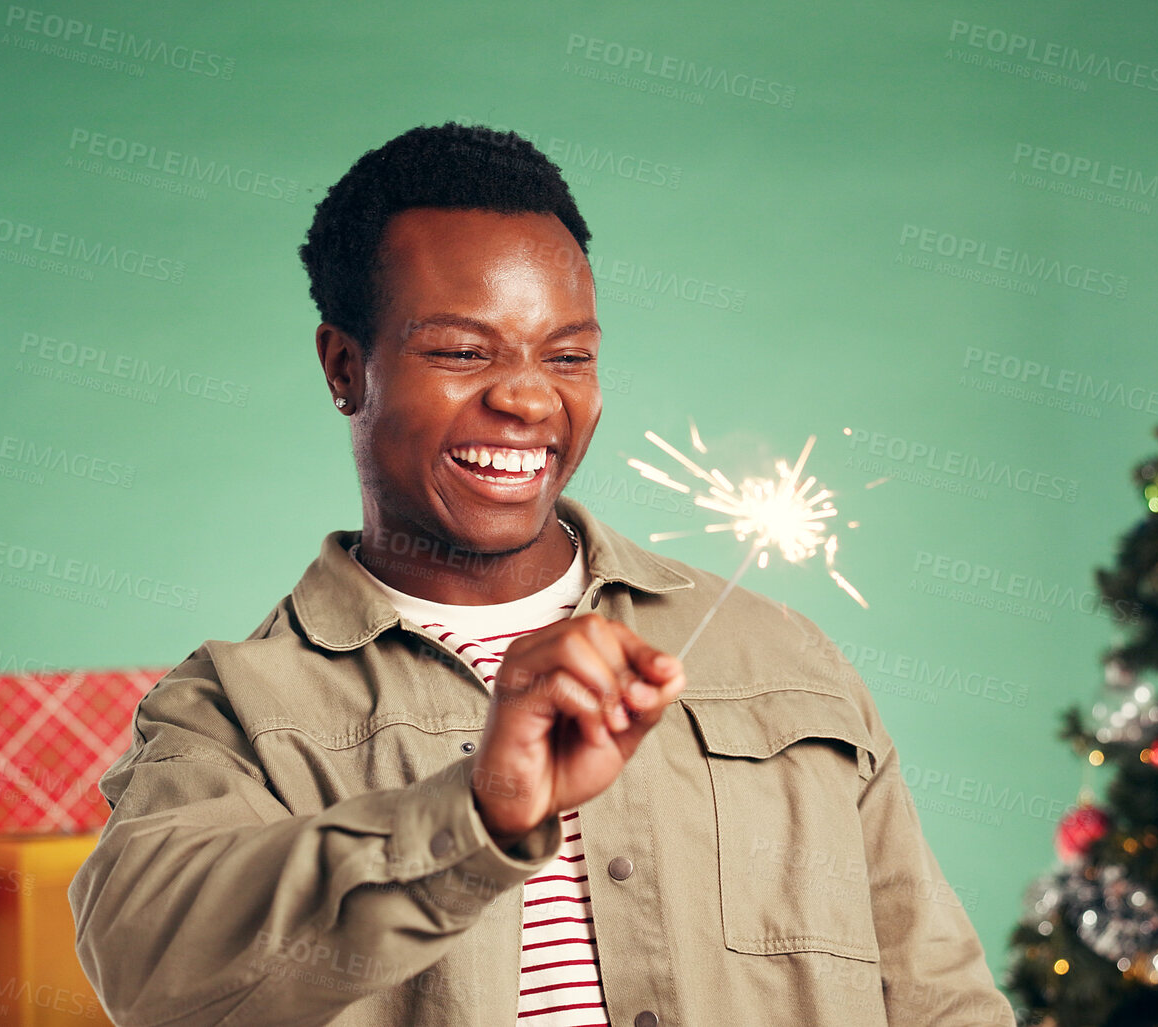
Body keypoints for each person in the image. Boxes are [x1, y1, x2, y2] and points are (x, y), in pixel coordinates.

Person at [68, 122, 1013, 1027]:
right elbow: (150, 972)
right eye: (462, 352)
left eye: (568, 356)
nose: (527, 397)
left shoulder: (780, 656)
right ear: (344, 366)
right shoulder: (234, 708)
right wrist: (478, 808)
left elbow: (939, 997)